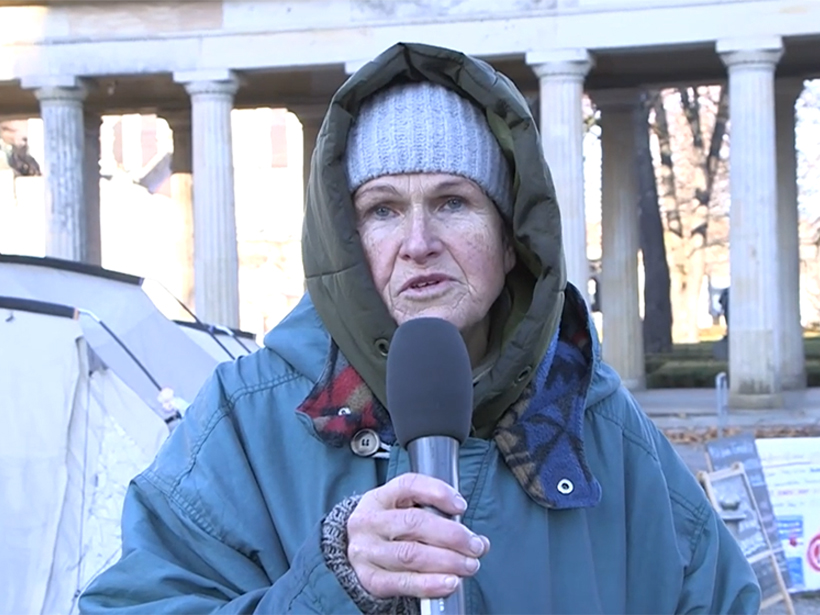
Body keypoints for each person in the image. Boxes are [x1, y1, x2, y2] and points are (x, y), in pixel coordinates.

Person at [79, 42, 760, 614]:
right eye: (381, 210)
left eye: (453, 201)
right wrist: (332, 585)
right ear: (347, 241)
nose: (417, 241)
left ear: (511, 236)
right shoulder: (247, 419)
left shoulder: (600, 427)